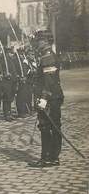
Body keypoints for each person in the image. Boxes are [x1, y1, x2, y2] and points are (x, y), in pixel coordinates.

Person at [28, 33, 64, 167]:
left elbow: (49, 81)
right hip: (53, 97)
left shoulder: (47, 56)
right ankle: (53, 157)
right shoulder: (46, 54)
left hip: (50, 98)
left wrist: (43, 98)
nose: (36, 43)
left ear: (45, 42)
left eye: (39, 41)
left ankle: (48, 158)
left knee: (47, 127)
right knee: (52, 126)